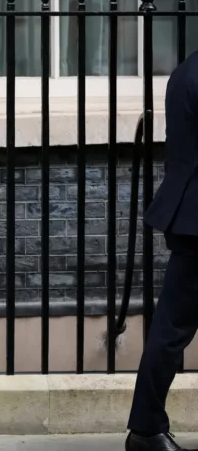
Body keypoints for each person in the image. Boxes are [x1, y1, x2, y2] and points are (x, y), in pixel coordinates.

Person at [125, 50, 198, 451]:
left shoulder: (184, 72)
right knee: (170, 331)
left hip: (187, 216)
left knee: (170, 330)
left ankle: (146, 429)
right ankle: (146, 429)